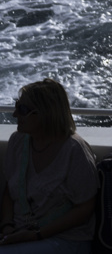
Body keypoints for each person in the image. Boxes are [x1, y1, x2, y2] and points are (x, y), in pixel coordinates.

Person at [1, 78, 98, 253]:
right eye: (17, 106)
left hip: (65, 239)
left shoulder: (74, 151)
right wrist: (7, 225)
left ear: (46, 114)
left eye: (22, 109)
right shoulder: (18, 141)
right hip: (18, 232)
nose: (15, 114)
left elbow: (85, 208)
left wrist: (36, 235)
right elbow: (9, 189)